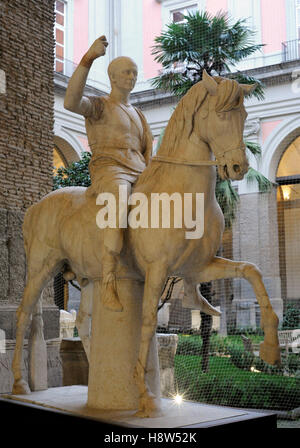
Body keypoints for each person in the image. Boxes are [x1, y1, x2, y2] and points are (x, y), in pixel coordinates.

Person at [64, 36, 153, 312]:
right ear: (113, 77)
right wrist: (88, 59)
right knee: (119, 197)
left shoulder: (138, 113)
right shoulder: (99, 105)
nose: (132, 77)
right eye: (127, 72)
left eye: (135, 72)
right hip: (110, 171)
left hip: (139, 172)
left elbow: (147, 152)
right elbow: (70, 102)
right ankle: (109, 275)